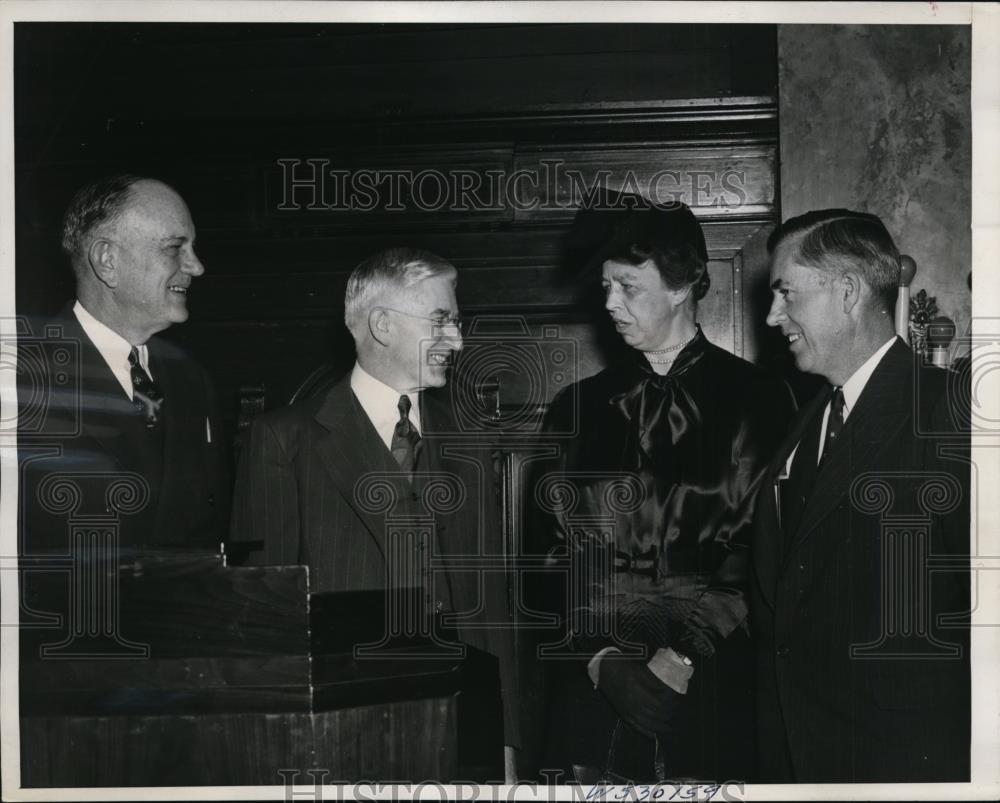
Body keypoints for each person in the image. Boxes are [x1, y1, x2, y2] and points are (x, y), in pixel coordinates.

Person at [229, 247, 520, 775]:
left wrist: (505, 744)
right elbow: (265, 622)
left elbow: (491, 609)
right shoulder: (284, 440)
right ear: (382, 325)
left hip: (460, 736)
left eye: (456, 321)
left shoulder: (470, 440)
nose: (457, 339)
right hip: (339, 742)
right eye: (441, 320)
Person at [533, 199, 793, 782]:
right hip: (589, 689)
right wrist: (599, 659)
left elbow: (761, 548)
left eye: (627, 286)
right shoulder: (576, 408)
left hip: (707, 685)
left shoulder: (760, 400)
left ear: (682, 288)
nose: (608, 304)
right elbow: (548, 553)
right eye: (605, 286)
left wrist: (680, 657)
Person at [751, 209, 970, 782]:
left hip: (900, 767)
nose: (773, 316)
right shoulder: (807, 420)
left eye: (785, 294)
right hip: (800, 758)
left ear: (847, 292)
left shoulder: (947, 411)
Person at [18, 174, 229, 552]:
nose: (196, 266)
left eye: (192, 248)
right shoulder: (23, 377)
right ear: (107, 261)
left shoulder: (192, 379)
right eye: (174, 247)